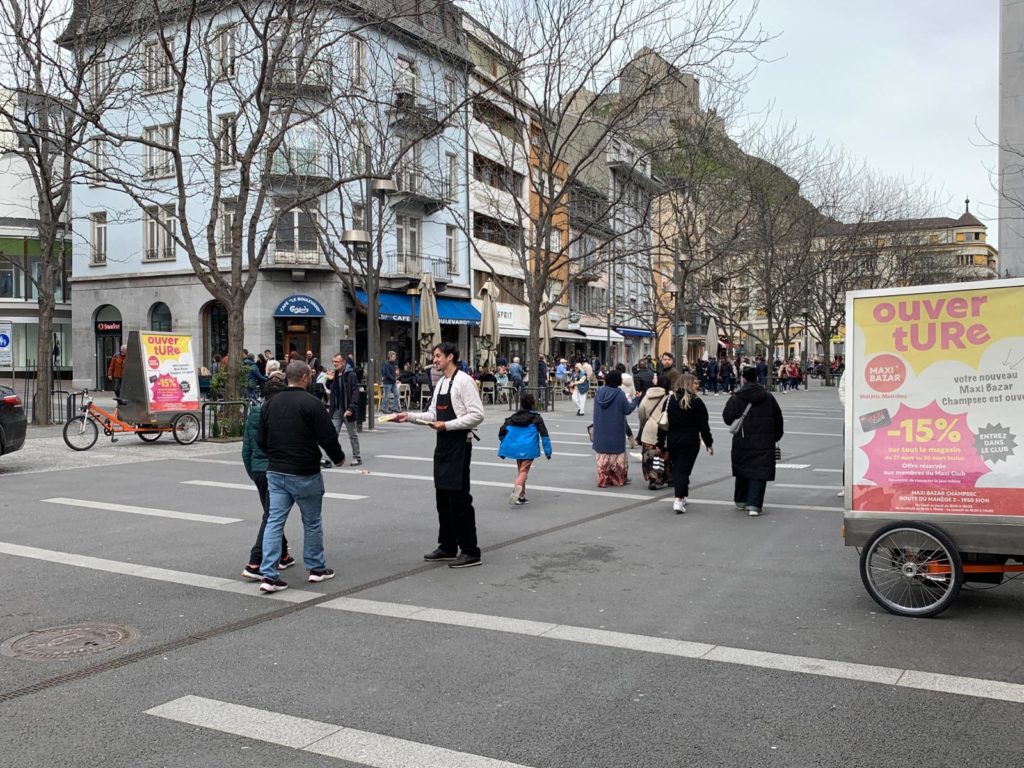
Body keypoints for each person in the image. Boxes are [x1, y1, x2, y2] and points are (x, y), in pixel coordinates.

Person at [255, 361, 345, 593]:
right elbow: (327, 437)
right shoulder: (312, 404)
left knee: (274, 521)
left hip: (276, 470)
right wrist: (338, 458)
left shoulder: (271, 403)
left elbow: (261, 440)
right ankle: (316, 568)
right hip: (305, 471)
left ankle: (269, 574)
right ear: (305, 377)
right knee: (312, 521)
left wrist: (275, 454)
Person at [396, 343, 485, 568]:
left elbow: (477, 415)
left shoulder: (464, 381)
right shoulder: (442, 383)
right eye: (434, 356)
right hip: (443, 444)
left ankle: (470, 550)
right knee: (442, 499)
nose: (434, 360)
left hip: (459, 445)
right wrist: (409, 416)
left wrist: (448, 425)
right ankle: (447, 545)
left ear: (450, 357)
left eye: (437, 356)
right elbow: (433, 413)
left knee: (460, 500)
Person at [240, 376, 294, 580]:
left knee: (271, 513)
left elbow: (246, 448)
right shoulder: (279, 413)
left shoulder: (254, 413)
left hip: (257, 469)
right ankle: (255, 561)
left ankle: (283, 554)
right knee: (271, 516)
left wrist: (252, 473)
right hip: (275, 469)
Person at [722, 366, 784, 517]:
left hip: (742, 440)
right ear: (757, 378)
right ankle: (754, 505)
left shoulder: (736, 397)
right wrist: (775, 436)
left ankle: (741, 500)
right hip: (764, 441)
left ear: (743, 378)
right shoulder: (768, 397)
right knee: (759, 472)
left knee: (743, 469)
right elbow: (778, 419)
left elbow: (727, 418)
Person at [657, 373, 713, 514]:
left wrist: (660, 441)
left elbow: (663, 423)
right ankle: (678, 499)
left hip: (673, 440)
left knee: (679, 468)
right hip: (690, 441)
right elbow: (703, 426)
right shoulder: (697, 402)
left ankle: (683, 494)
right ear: (688, 384)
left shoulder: (670, 400)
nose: (697, 385)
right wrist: (708, 442)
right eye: (695, 383)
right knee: (683, 470)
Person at [497, 392, 552, 506]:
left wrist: (504, 442)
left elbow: (501, 432)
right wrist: (548, 451)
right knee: (524, 471)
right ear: (532, 404)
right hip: (529, 449)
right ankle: (516, 489)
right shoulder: (537, 418)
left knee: (521, 470)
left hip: (516, 448)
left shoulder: (512, 418)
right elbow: (544, 435)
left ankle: (521, 496)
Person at [590, 369, 641, 487]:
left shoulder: (599, 392)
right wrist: (635, 400)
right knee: (617, 457)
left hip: (601, 431)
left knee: (603, 457)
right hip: (615, 431)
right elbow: (627, 409)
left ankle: (603, 479)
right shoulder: (619, 394)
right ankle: (617, 479)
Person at [327, 353, 362, 467]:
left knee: (352, 434)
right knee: (332, 434)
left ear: (343, 362)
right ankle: (334, 457)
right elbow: (331, 389)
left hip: (347, 410)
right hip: (337, 410)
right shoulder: (335, 374)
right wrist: (330, 380)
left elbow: (355, 392)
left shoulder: (350, 374)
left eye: (336, 362)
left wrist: (351, 408)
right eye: (333, 362)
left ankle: (357, 457)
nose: (334, 364)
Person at [637, 378, 671, 490]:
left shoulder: (647, 395)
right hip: (665, 429)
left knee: (649, 456)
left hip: (649, 429)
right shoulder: (670, 396)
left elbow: (641, 411)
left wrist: (644, 423)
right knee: (664, 455)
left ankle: (652, 479)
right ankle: (663, 477)